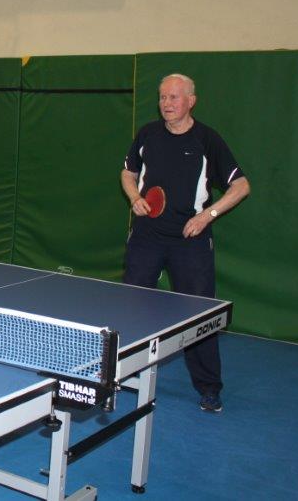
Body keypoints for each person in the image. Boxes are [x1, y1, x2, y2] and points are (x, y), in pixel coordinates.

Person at [120, 73, 250, 414]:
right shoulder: (147, 134)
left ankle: (209, 388)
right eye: (162, 97)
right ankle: (121, 373)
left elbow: (241, 186)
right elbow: (128, 173)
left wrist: (208, 215)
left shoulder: (208, 139)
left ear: (191, 101)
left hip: (190, 240)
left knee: (198, 316)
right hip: (146, 236)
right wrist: (134, 197)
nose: (166, 103)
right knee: (130, 306)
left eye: (174, 97)